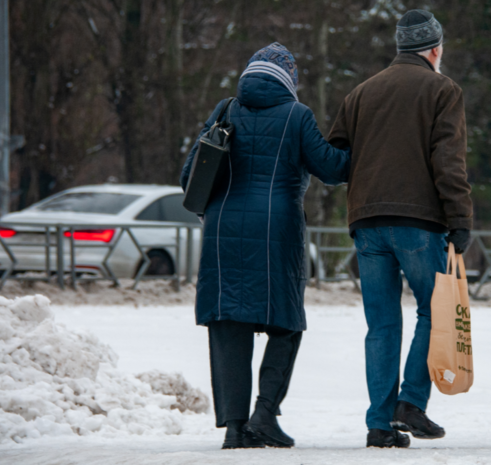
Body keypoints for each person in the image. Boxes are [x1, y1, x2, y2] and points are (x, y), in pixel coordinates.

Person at [180, 42, 350, 450]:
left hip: (222, 229)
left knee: (228, 324)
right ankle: (265, 415)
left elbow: (190, 176)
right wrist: (361, 144)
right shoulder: (297, 115)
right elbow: (330, 168)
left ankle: (235, 428)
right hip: (277, 228)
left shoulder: (225, 109)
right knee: (286, 322)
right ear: (289, 79)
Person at [328, 10, 473, 448]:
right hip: (417, 223)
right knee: (436, 310)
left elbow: (335, 158)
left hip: (367, 224)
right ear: (434, 49)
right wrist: (461, 217)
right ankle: (410, 402)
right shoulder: (442, 90)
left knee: (382, 325)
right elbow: (448, 161)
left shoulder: (360, 93)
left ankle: (378, 424)